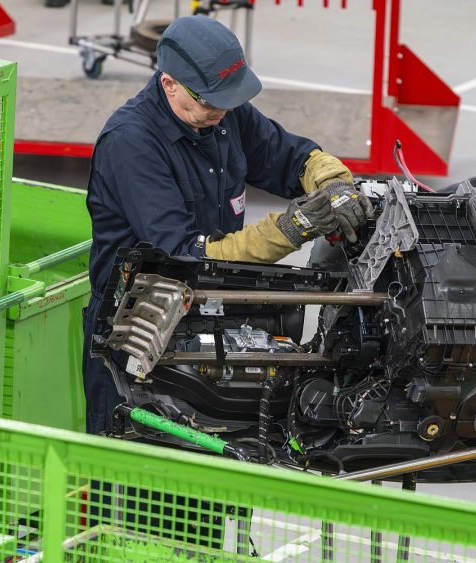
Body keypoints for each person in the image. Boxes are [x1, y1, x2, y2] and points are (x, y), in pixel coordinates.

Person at [83, 15, 373, 435]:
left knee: (231, 457)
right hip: (137, 333)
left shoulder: (221, 114)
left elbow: (291, 157)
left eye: (228, 100)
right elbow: (186, 256)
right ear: (170, 84)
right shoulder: (131, 143)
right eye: (210, 102)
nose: (220, 112)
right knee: (136, 464)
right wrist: (289, 229)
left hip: (213, 312)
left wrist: (334, 183)